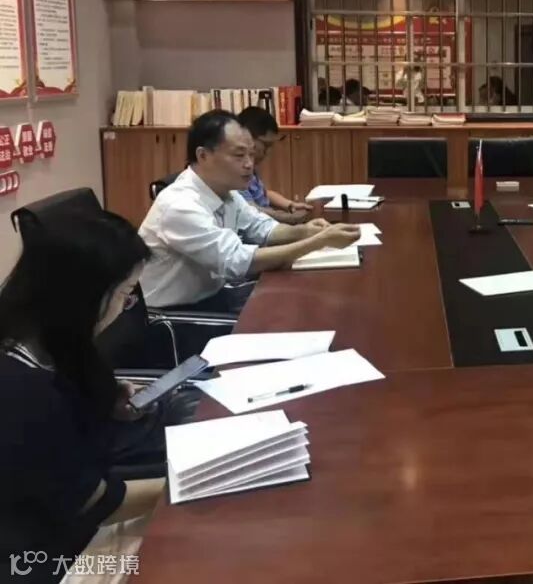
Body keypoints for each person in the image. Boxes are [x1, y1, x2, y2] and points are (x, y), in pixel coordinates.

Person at [0, 211, 165, 578]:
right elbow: (96, 502)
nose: (125, 307)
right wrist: (183, 488)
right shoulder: (21, 390)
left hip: (69, 510)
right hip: (33, 558)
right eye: (125, 294)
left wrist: (109, 401)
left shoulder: (52, 336)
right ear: (85, 295)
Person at [139, 110, 361, 313]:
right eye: (239, 155)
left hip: (214, 297)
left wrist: (307, 231)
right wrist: (318, 241)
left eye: (251, 155)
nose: (249, 165)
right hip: (175, 317)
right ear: (203, 155)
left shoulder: (226, 192)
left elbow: (263, 229)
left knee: (307, 299)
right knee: (291, 313)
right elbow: (238, 262)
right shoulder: (180, 205)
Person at [236, 106, 313, 224]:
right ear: (247, 138)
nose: (268, 152)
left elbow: (264, 193)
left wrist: (290, 205)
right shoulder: (236, 172)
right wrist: (288, 218)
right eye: (266, 145)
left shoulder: (251, 168)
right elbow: (250, 210)